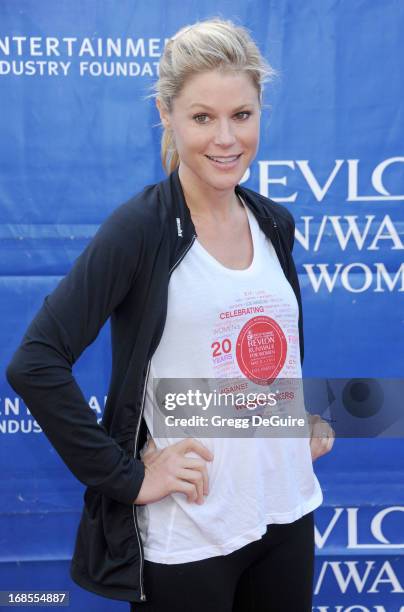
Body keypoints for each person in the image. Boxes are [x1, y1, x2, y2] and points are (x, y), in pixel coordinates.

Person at [6, 16, 335, 612]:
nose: (225, 139)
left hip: (288, 511)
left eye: (242, 115)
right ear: (166, 113)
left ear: (260, 111)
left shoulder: (274, 224)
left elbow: (254, 350)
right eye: (202, 117)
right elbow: (35, 363)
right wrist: (128, 476)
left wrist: (295, 418)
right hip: (190, 536)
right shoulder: (141, 231)